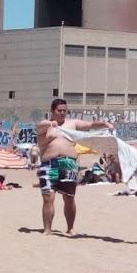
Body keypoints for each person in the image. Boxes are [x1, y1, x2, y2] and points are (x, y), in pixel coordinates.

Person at [36, 98, 113, 235]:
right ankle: (47, 229)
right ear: (52, 111)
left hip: (69, 163)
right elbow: (40, 126)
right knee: (48, 197)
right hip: (49, 163)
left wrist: (105, 123)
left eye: (65, 111)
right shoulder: (46, 126)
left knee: (69, 197)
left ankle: (70, 228)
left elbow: (90, 124)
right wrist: (51, 123)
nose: (62, 113)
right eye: (59, 111)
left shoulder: (72, 123)